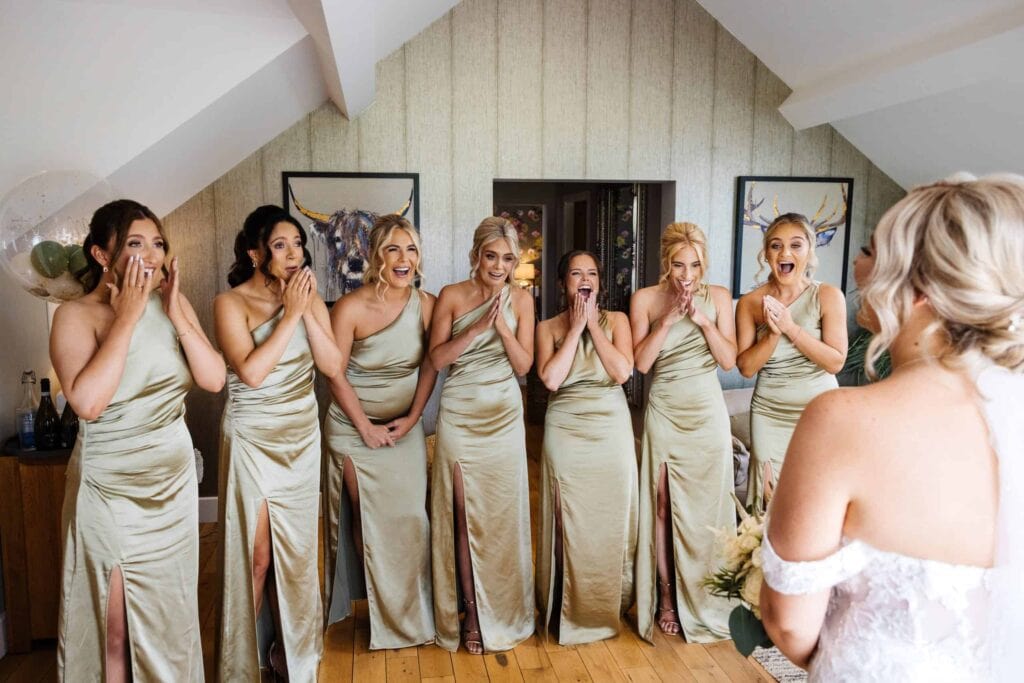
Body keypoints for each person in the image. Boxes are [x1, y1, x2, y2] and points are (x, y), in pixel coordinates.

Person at [760, 174, 1024, 681]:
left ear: (920, 289)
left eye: (872, 253)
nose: (860, 270)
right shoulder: (1009, 416)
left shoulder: (841, 418)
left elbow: (789, 623)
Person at [51, 199, 226, 682]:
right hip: (108, 488)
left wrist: (176, 312)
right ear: (101, 255)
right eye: (135, 243)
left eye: (157, 243)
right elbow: (88, 404)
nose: (151, 255)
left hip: (171, 483)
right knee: (113, 629)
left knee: (169, 617)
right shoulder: (74, 316)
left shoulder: (171, 305)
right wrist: (126, 319)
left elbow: (214, 378)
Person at [214, 205, 341, 681]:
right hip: (253, 438)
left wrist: (308, 310)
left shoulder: (311, 300)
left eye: (298, 244)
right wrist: (290, 314)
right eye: (280, 245)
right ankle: (240, 665)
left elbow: (332, 367)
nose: (293, 254)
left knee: (295, 555)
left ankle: (291, 657)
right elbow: (250, 372)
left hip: (300, 438)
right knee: (257, 555)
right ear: (255, 253)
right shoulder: (230, 303)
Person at [322, 214, 437, 649]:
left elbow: (432, 365)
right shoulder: (349, 308)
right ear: (376, 256)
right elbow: (334, 375)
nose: (403, 258)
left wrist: (414, 417)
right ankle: (379, 612)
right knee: (368, 519)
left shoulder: (427, 305)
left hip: (404, 429)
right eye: (393, 249)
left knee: (412, 521)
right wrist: (365, 428)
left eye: (410, 249)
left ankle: (410, 613)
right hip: (352, 430)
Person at [428, 216, 535, 654]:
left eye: (507, 259)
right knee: (460, 511)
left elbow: (524, 366)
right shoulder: (452, 296)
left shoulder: (522, 300)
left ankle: (503, 607)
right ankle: (470, 611)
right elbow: (436, 360)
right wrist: (475, 330)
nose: (498, 266)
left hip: (504, 415)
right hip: (460, 412)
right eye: (491, 256)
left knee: (502, 516)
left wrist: (503, 327)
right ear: (476, 255)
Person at [630, 222, 738, 642]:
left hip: (707, 413)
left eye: (694, 265)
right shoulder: (645, 299)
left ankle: (708, 593)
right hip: (665, 409)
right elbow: (640, 364)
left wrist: (703, 321)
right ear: (666, 263)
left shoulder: (720, 297)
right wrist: (668, 320)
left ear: (703, 263)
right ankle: (666, 596)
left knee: (710, 506)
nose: (687, 274)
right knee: (662, 503)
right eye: (679, 265)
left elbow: (728, 360)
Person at [534, 250, 637, 645]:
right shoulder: (547, 328)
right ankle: (566, 607)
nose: (584, 280)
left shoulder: (619, 321)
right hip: (566, 428)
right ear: (563, 283)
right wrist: (576, 329)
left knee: (610, 515)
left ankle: (605, 604)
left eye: (591, 273)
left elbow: (622, 372)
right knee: (568, 519)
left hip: (611, 426)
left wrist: (594, 325)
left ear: (600, 282)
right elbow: (552, 380)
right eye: (576, 273)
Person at [735, 213, 847, 509]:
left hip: (818, 412)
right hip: (769, 414)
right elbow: (746, 368)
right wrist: (772, 335)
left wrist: (790, 327)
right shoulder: (749, 303)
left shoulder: (828, 296)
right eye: (776, 246)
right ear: (766, 254)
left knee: (817, 497)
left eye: (796, 245)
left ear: (809, 251)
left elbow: (835, 362)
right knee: (769, 502)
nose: (785, 253)